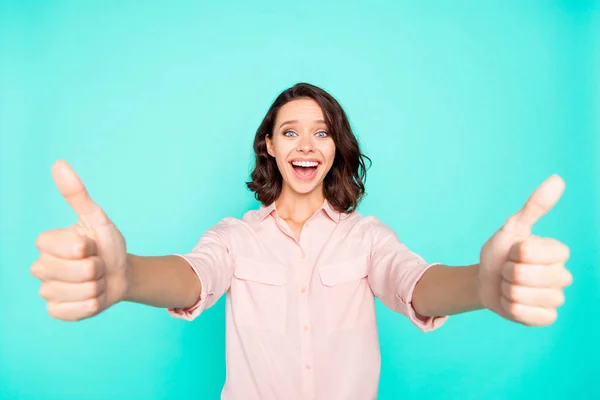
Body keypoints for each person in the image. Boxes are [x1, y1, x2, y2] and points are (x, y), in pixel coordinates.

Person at [31, 83, 573, 400]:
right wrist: (127, 277)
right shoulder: (236, 237)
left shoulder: (367, 238)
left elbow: (418, 286)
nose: (306, 144)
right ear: (269, 146)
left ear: (336, 147)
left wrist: (483, 286)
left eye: (322, 131)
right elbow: (192, 275)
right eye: (290, 131)